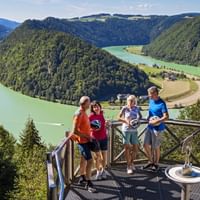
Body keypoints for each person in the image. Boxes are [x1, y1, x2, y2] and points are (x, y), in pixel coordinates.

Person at [71, 96, 96, 193]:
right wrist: (87, 136)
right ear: (85, 104)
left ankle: (82, 177)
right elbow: (75, 131)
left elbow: (83, 126)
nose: (90, 104)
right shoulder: (79, 114)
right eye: (89, 103)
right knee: (90, 161)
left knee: (83, 159)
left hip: (85, 140)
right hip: (82, 141)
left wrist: (91, 129)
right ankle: (89, 182)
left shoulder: (83, 113)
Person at [143, 86, 169, 171]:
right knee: (145, 145)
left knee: (156, 147)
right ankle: (151, 161)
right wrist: (148, 117)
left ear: (154, 93)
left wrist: (157, 121)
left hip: (158, 128)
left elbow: (166, 116)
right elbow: (151, 112)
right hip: (149, 126)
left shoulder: (162, 103)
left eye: (149, 94)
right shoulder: (151, 101)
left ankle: (156, 164)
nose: (148, 96)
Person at [118, 95, 142, 174]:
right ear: (127, 101)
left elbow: (140, 117)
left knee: (136, 148)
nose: (131, 102)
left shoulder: (137, 108)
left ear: (135, 101)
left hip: (134, 130)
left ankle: (131, 163)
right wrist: (126, 121)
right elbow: (118, 118)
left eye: (133, 101)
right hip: (126, 130)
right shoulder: (124, 108)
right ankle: (128, 166)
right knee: (127, 148)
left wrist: (137, 121)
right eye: (130, 100)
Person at [89, 101, 108, 180]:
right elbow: (87, 127)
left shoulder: (102, 114)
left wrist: (106, 123)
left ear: (100, 107)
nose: (96, 108)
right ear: (92, 109)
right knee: (97, 157)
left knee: (104, 156)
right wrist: (93, 128)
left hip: (103, 137)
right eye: (94, 107)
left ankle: (103, 170)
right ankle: (98, 171)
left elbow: (103, 124)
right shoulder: (90, 117)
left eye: (97, 106)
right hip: (94, 139)